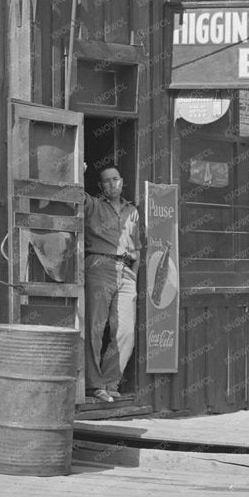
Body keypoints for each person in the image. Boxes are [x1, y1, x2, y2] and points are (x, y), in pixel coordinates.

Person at [84, 166, 143, 402]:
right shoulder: (94, 206)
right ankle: (93, 385)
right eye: (106, 181)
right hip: (100, 264)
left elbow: (137, 248)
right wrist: (79, 171)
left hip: (126, 270)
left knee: (126, 331)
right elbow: (75, 195)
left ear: (122, 181)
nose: (112, 184)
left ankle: (110, 382)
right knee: (95, 328)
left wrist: (134, 277)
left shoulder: (132, 211)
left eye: (115, 179)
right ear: (101, 186)